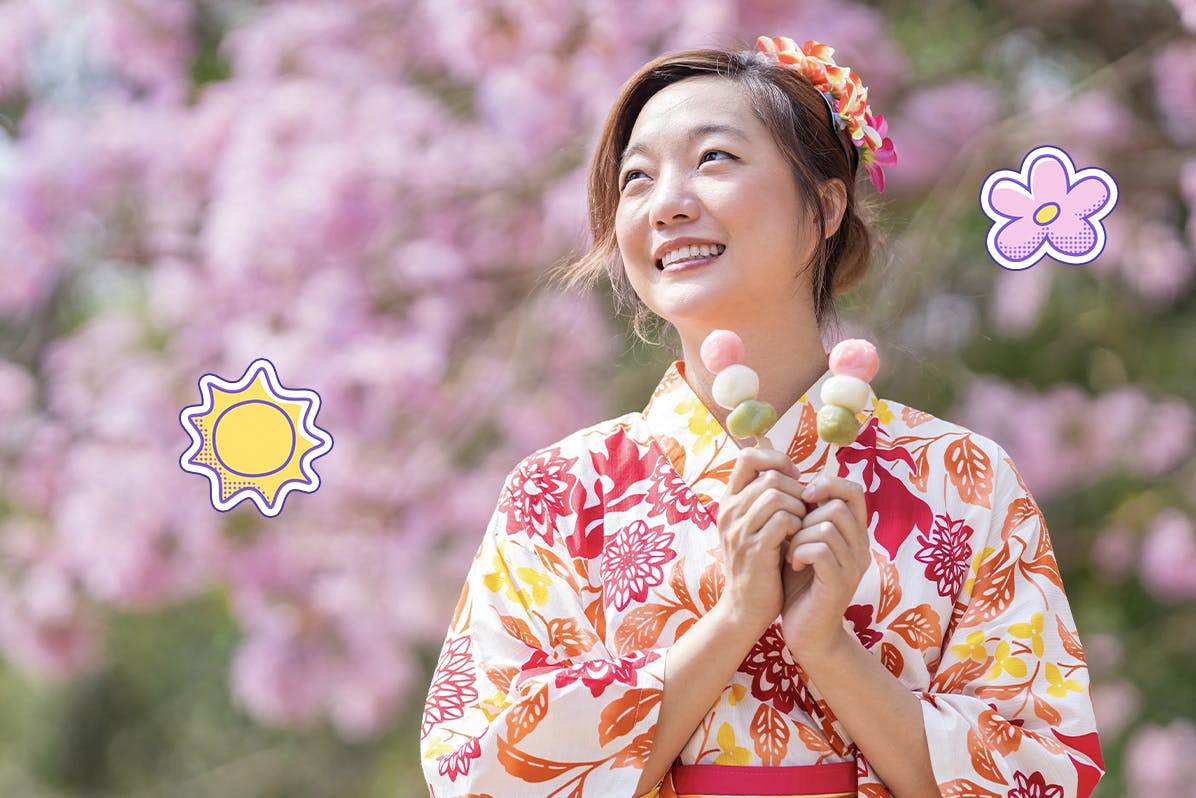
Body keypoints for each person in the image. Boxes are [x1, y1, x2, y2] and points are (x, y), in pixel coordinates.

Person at [420, 36, 1104, 798]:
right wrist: (736, 617)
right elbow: (480, 775)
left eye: (713, 159)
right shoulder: (558, 491)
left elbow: (1043, 770)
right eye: (637, 178)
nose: (668, 203)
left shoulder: (963, 480)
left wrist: (829, 648)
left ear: (825, 206)